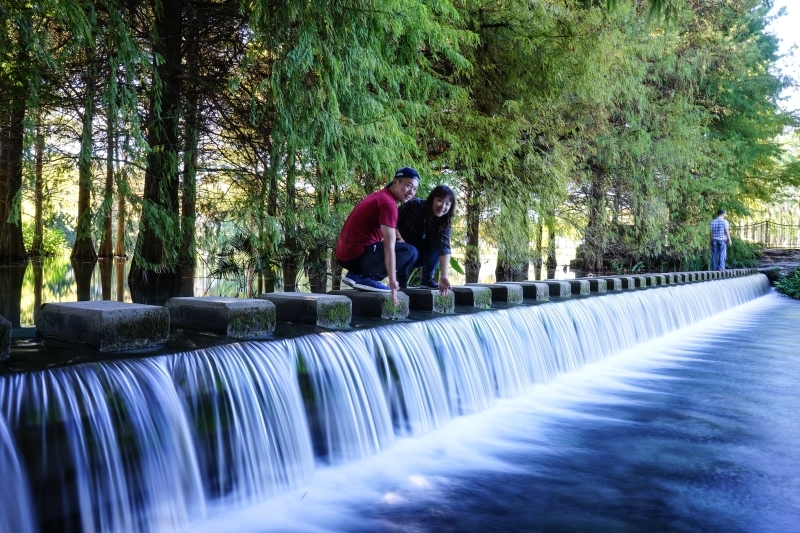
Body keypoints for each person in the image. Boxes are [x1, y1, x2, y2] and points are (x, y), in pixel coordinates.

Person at [335, 167, 420, 304]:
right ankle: (366, 278)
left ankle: (356, 274)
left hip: (345, 255)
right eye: (408, 186)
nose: (411, 192)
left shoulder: (381, 196)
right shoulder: (388, 204)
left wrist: (397, 234)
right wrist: (393, 281)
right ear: (395, 183)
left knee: (404, 248)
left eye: (415, 189)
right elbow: (388, 247)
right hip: (357, 254)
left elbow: (384, 226)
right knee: (410, 252)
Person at [396, 185, 455, 295]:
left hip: (420, 256)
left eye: (447, 204)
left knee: (439, 245)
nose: (443, 206)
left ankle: (427, 279)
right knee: (411, 250)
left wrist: (444, 276)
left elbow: (445, 247)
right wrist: (397, 234)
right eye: (440, 201)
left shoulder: (444, 222)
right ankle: (401, 274)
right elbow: (391, 219)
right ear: (432, 199)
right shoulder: (414, 205)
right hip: (401, 250)